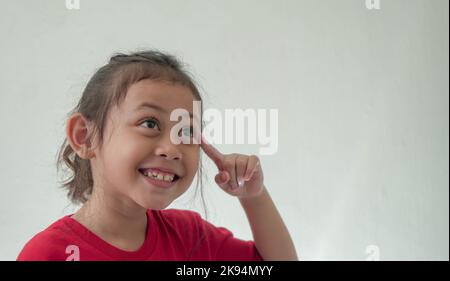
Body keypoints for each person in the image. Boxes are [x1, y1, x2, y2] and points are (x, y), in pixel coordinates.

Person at [17, 50, 298, 261]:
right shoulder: (49, 254)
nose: (172, 148)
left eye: (187, 132)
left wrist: (253, 197)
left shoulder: (189, 238)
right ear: (85, 136)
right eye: (150, 124)